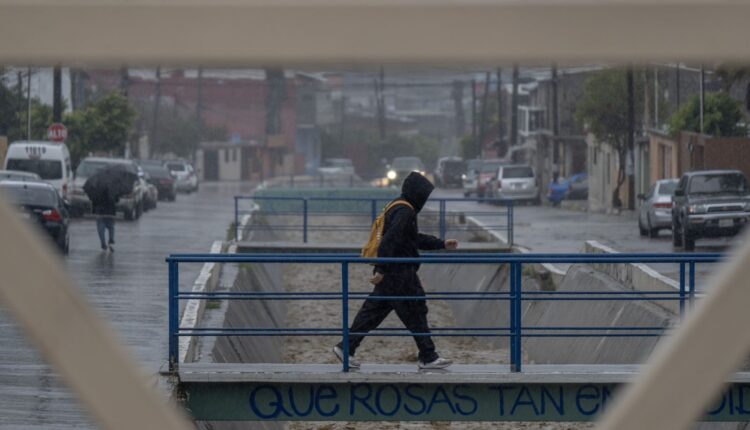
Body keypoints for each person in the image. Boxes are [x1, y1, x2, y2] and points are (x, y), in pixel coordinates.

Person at [334, 172, 459, 369]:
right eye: (424, 195)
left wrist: (441, 244)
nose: (425, 199)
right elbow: (389, 241)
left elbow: (411, 238)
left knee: (373, 313)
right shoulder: (405, 211)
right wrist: (382, 269)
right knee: (415, 311)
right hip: (400, 273)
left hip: (394, 272)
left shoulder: (398, 206)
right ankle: (428, 356)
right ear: (418, 193)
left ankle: (346, 347)